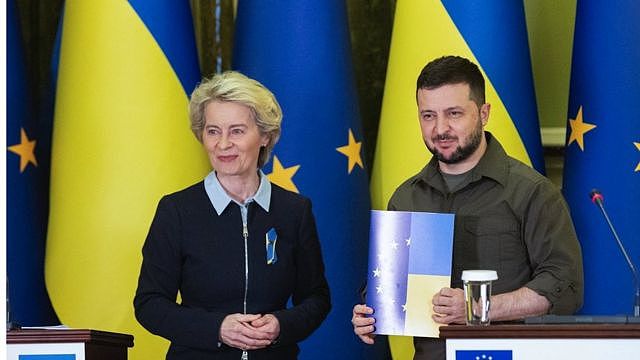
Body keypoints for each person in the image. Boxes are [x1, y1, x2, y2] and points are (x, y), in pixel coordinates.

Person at [351, 55, 583, 359]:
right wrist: (370, 314)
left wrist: (479, 308)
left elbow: (565, 287)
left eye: (454, 113)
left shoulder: (531, 192)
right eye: (428, 116)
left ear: (484, 113)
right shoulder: (406, 198)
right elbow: (388, 287)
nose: (440, 129)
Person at [134, 71, 331, 359]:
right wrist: (217, 328)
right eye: (213, 131)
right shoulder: (176, 211)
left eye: (237, 131)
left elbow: (316, 298)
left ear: (264, 136)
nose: (223, 144)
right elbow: (149, 304)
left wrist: (280, 325)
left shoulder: (294, 211)